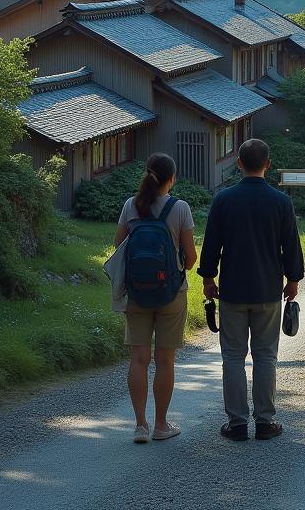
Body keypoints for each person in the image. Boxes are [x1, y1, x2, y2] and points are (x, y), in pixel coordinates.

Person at [199, 138, 305, 441]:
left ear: (240, 164)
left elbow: (211, 245)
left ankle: (236, 424)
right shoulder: (281, 202)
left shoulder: (224, 200)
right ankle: (265, 421)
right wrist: (293, 279)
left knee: (233, 357)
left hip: (232, 291)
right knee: (265, 356)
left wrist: (208, 278)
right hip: (268, 291)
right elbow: (291, 246)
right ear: (268, 165)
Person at [114, 152, 197, 444]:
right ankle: (161, 425)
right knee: (165, 360)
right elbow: (190, 259)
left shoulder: (130, 205)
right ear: (172, 179)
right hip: (171, 293)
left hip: (137, 292)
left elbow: (118, 247)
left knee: (138, 359)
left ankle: (140, 425)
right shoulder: (180, 208)